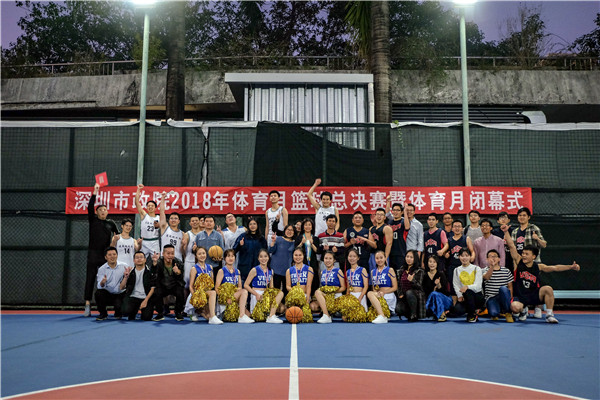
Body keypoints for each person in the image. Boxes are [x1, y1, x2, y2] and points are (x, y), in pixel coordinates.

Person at [503, 226, 580, 324]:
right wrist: (506, 232)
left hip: (534, 295)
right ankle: (523, 311)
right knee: (514, 307)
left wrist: (571, 267)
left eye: (527, 254)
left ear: (534, 256)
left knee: (548, 288)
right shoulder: (519, 262)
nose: (523, 255)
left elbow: (555, 268)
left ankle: (549, 315)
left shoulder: (538, 266)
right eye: (523, 253)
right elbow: (511, 246)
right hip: (521, 296)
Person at [84, 183, 119, 317]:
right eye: (100, 210)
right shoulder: (93, 220)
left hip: (106, 256)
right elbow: (89, 206)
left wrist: (114, 243)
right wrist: (95, 192)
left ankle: (108, 305)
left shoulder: (111, 223)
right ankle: (87, 304)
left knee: (108, 278)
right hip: (93, 254)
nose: (103, 211)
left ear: (107, 212)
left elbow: (118, 236)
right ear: (97, 212)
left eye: (105, 209)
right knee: (90, 278)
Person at [510, 207, 548, 319]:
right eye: (520, 215)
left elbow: (544, 244)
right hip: (520, 264)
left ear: (528, 217)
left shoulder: (534, 228)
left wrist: (537, 238)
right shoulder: (515, 232)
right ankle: (524, 308)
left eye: (524, 215)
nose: (521, 217)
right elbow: (512, 248)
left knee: (536, 285)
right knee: (522, 286)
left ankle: (538, 308)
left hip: (534, 263)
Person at [244, 249, 284, 324]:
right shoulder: (254, 270)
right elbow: (246, 285)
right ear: (258, 258)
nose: (263, 259)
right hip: (257, 294)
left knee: (280, 294)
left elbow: (271, 288)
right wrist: (256, 294)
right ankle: (270, 315)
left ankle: (271, 316)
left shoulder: (271, 271)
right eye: (261, 257)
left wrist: (273, 299)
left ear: (268, 257)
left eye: (265, 256)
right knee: (259, 317)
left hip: (265, 295)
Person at [184, 246, 223, 324]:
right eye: (199, 254)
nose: (202, 255)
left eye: (203, 253)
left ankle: (209, 315)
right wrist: (195, 297)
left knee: (208, 316)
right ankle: (196, 311)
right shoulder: (194, 268)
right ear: (196, 256)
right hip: (197, 293)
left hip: (206, 293)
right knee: (213, 293)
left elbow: (211, 284)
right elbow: (191, 286)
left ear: (206, 254)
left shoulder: (210, 267)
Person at [214, 249, 254, 323]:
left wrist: (235, 290)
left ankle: (241, 314)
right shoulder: (221, 271)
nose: (231, 258)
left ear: (235, 258)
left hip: (234, 296)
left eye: (232, 256)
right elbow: (217, 288)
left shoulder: (237, 271)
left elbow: (240, 287)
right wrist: (225, 298)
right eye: (228, 256)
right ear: (224, 258)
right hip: (226, 298)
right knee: (244, 291)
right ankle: (241, 316)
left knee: (249, 315)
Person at [150, 244, 185, 321]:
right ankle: (160, 313)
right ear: (163, 254)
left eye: (172, 253)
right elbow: (153, 274)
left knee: (180, 291)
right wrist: (154, 264)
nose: (170, 255)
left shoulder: (179, 263)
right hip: (162, 285)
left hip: (174, 285)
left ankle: (178, 313)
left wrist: (178, 272)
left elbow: (181, 278)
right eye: (168, 253)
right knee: (157, 291)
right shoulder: (159, 262)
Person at [94, 247, 130, 321]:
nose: (112, 256)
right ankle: (103, 314)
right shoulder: (101, 269)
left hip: (120, 294)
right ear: (105, 257)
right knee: (98, 293)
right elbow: (100, 286)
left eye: (114, 254)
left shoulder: (125, 266)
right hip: (108, 294)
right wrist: (103, 282)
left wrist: (127, 276)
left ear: (117, 255)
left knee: (124, 311)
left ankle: (118, 312)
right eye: (109, 255)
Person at [445, 219, 475, 301]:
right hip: (452, 266)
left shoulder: (466, 238)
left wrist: (472, 257)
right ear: (452, 228)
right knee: (453, 287)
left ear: (462, 228)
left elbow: (472, 251)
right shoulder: (449, 240)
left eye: (459, 226)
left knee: (465, 284)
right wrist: (445, 255)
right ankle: (455, 304)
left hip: (464, 266)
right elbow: (445, 252)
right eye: (455, 226)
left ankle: (467, 302)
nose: (457, 228)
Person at [312, 252, 346, 324]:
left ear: (334, 260)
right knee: (317, 294)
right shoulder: (323, 272)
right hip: (327, 297)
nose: (328, 260)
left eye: (330, 258)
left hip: (336, 298)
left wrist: (332, 291)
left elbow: (343, 287)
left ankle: (330, 313)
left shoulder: (338, 271)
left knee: (345, 318)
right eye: (326, 258)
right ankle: (326, 315)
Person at [452, 247, 484, 323]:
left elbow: (478, 286)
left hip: (477, 296)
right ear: (459, 257)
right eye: (462, 256)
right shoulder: (456, 270)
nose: (464, 258)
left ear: (470, 257)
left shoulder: (477, 269)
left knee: (468, 291)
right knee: (457, 310)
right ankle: (472, 310)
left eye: (466, 255)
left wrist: (467, 287)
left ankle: (472, 314)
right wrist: (459, 296)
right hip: (464, 297)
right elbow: (456, 284)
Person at [481, 249, 514, 322]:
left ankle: (508, 313)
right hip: (491, 298)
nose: (493, 258)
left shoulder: (506, 271)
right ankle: (499, 311)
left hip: (504, 297)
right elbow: (487, 277)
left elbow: (510, 287)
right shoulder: (483, 270)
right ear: (487, 259)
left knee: (503, 289)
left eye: (495, 256)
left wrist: (510, 301)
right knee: (493, 313)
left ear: (499, 259)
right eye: (490, 256)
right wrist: (492, 267)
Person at [366, 250, 398, 324]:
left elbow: (395, 287)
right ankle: (382, 315)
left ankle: (382, 316)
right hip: (378, 296)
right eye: (377, 258)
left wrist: (384, 292)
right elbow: (374, 288)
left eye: (381, 258)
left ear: (385, 258)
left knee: (369, 293)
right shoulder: (373, 272)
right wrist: (377, 294)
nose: (379, 260)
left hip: (388, 296)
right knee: (370, 293)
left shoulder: (390, 270)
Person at [124, 250, 156, 321]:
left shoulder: (150, 272)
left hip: (145, 297)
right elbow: (122, 287)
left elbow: (153, 288)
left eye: (141, 257)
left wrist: (145, 300)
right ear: (134, 260)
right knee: (125, 312)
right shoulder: (130, 272)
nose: (139, 259)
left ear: (145, 260)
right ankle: (132, 310)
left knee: (146, 318)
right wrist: (126, 277)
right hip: (133, 297)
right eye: (137, 257)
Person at [285, 248, 315, 322]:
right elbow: (288, 286)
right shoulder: (289, 270)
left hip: (304, 295)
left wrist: (307, 299)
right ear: (293, 256)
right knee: (292, 313)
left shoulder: (309, 269)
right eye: (296, 255)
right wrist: (296, 292)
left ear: (303, 256)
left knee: (311, 308)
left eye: (300, 255)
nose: (298, 257)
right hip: (294, 296)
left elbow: (309, 285)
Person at [234, 217, 268, 283]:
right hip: (244, 268)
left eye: (254, 224)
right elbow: (234, 250)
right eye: (250, 224)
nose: (252, 226)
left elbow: (266, 253)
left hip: (257, 267)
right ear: (248, 226)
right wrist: (239, 245)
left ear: (257, 225)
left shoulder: (262, 238)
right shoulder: (243, 236)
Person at [395, 250, 425, 322]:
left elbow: (420, 286)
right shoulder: (401, 270)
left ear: (415, 259)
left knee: (409, 292)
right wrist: (400, 293)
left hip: (416, 296)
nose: (409, 259)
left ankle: (414, 315)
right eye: (407, 257)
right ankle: (409, 313)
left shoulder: (419, 271)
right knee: (398, 309)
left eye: (411, 257)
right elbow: (398, 284)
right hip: (404, 296)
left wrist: (412, 280)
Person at [294, 218, 320, 294]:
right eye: (306, 225)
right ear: (303, 227)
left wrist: (312, 244)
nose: (307, 227)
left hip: (313, 262)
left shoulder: (315, 238)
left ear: (312, 227)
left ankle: (312, 296)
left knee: (314, 281)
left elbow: (317, 251)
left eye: (309, 225)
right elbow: (296, 249)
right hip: (302, 263)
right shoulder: (299, 237)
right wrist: (301, 243)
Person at [269, 224, 296, 295]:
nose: (289, 231)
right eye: (288, 230)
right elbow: (270, 250)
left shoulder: (294, 243)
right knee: (275, 292)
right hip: (275, 269)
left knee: (285, 292)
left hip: (287, 270)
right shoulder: (278, 239)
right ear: (285, 230)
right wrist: (273, 242)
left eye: (291, 230)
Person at [384, 199, 411, 270]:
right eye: (394, 210)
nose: (395, 212)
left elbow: (407, 227)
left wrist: (405, 212)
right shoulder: (389, 222)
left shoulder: (403, 221)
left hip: (400, 252)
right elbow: (387, 213)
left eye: (398, 210)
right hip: (390, 252)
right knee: (391, 272)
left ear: (401, 212)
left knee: (400, 272)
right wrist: (388, 201)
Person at [423, 256, 452, 322]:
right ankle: (438, 312)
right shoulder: (425, 275)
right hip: (431, 301)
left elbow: (445, 292)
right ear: (427, 263)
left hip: (445, 300)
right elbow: (425, 292)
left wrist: (439, 285)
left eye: (434, 262)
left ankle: (442, 314)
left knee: (435, 294)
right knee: (433, 294)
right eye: (430, 262)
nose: (432, 264)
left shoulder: (441, 274)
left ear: (437, 264)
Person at [135, 184, 160, 257]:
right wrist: (138, 190)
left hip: (154, 241)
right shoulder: (144, 215)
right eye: (148, 206)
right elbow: (137, 203)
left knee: (157, 260)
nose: (150, 207)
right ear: (146, 207)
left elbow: (163, 228)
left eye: (152, 206)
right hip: (144, 241)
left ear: (155, 208)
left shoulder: (159, 218)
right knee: (141, 259)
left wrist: (159, 226)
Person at [158, 191, 183, 261]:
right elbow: (162, 212)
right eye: (171, 218)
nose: (173, 220)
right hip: (164, 260)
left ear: (179, 221)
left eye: (175, 218)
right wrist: (163, 198)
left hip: (177, 260)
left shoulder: (183, 234)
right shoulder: (165, 228)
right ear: (168, 220)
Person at [180, 215, 204, 289]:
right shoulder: (187, 234)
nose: (194, 222)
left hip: (201, 261)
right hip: (189, 261)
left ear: (199, 222)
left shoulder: (203, 234)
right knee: (187, 283)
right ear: (190, 223)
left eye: (196, 220)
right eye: (193, 221)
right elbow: (183, 251)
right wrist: (183, 246)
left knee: (200, 283)